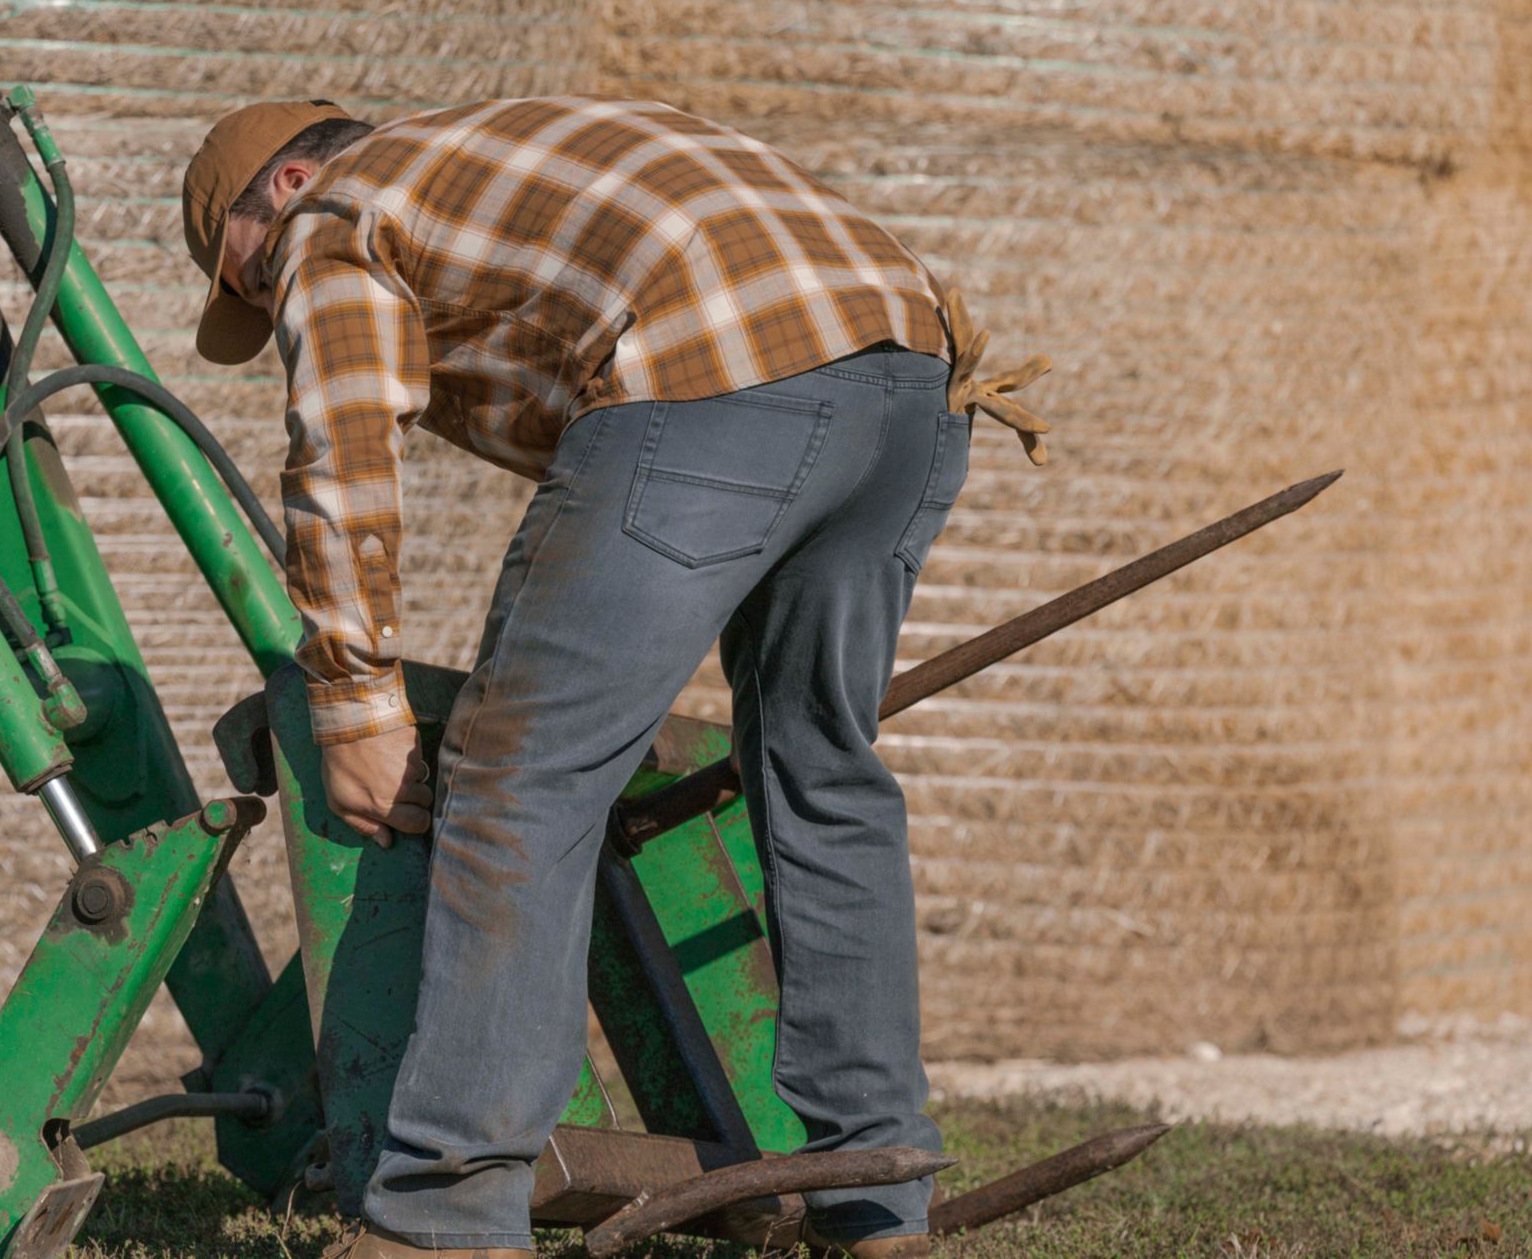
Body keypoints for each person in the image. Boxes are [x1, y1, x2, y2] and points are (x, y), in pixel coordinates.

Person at [181, 96, 1051, 1259]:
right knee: (821, 774)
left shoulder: (335, 213)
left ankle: (442, 1217)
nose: (257, 297)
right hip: (908, 372)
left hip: (717, 356)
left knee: (514, 773)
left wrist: (354, 703)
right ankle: (875, 1201)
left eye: (239, 274)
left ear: (279, 188)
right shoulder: (512, 138)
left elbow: (341, 439)